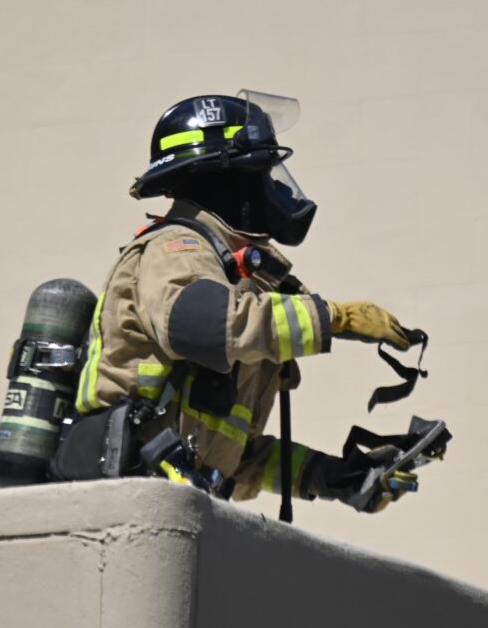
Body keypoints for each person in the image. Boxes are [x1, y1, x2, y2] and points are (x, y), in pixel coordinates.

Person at [59, 91, 421, 513]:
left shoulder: (237, 279)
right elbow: (210, 326)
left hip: (174, 507)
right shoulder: (175, 247)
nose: (274, 188)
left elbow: (235, 456)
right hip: (121, 504)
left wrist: (334, 477)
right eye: (262, 174)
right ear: (228, 181)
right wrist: (333, 318)